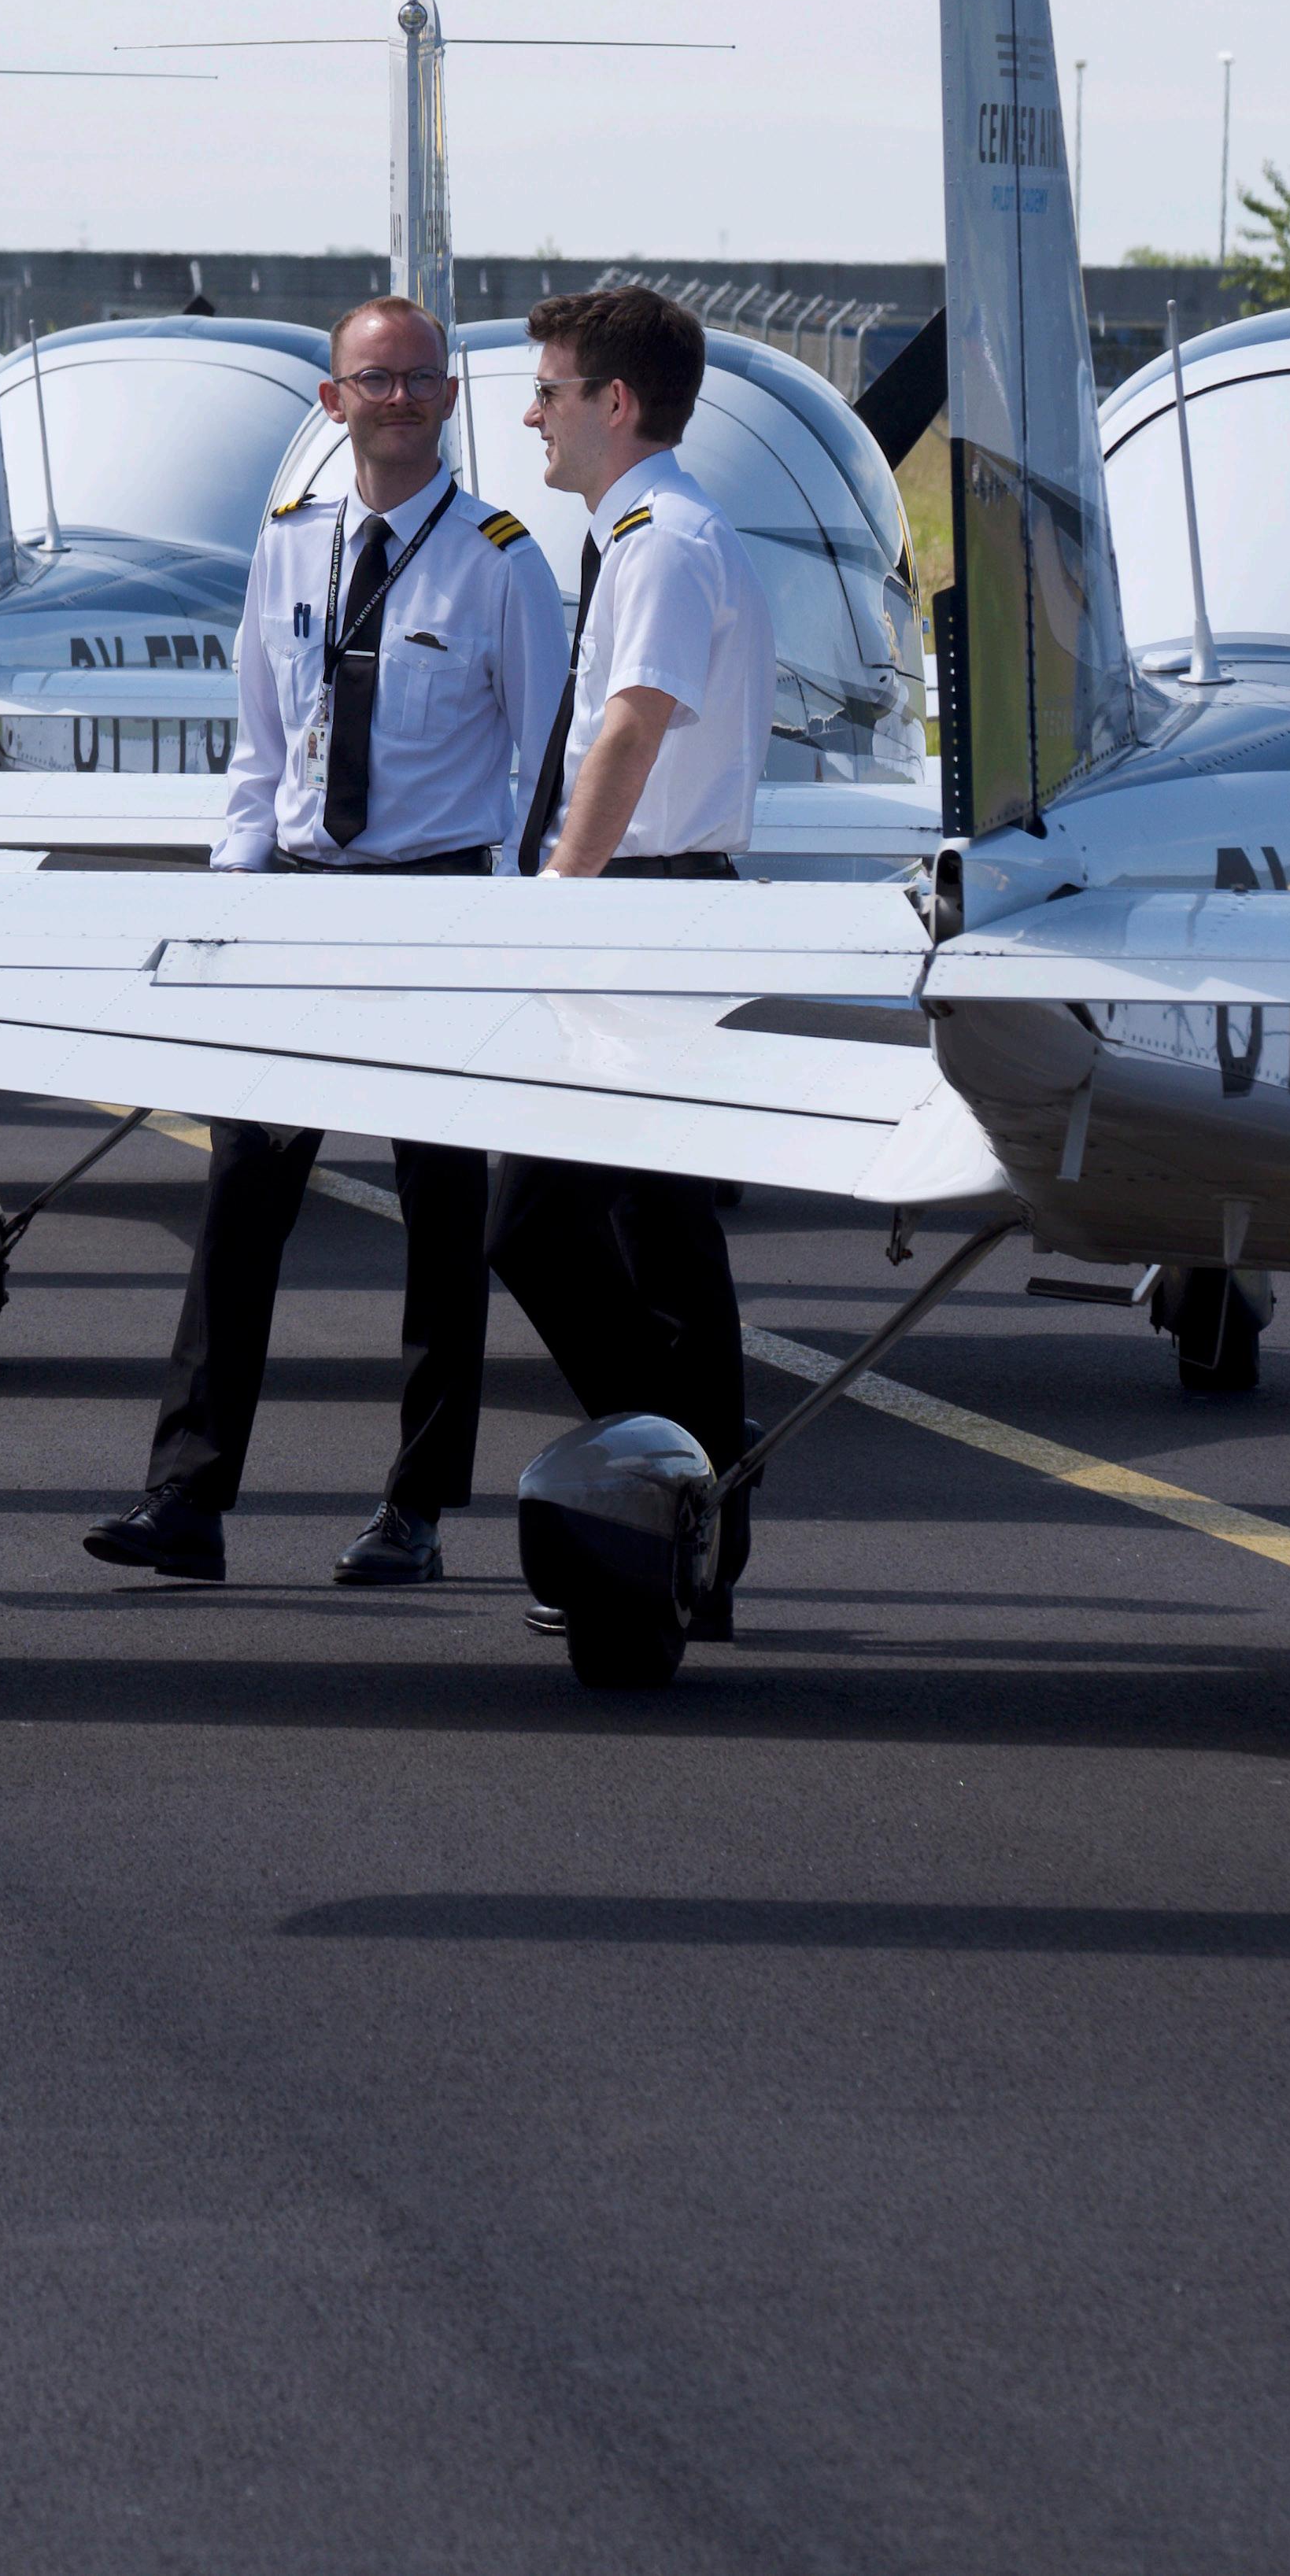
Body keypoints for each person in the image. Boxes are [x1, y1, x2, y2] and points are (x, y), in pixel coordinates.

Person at [81, 295, 565, 1588]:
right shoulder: (289, 546)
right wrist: (231, 904)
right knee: (241, 1196)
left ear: (448, 400)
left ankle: (415, 1511)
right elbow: (258, 747)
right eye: (374, 379)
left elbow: (543, 771)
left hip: (435, 910)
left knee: (442, 1217)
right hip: (297, 903)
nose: (398, 399)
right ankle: (187, 1498)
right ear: (331, 399)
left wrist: (517, 932)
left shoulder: (502, 560)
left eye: (418, 380)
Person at [486, 285, 777, 1638]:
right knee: (658, 1236)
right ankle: (691, 1522)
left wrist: (559, 900)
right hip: (653, 901)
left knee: (552, 1225)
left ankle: (681, 1496)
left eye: (549, 391)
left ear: (615, 403)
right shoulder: (652, 532)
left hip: (639, 908)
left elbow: (633, 726)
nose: (530, 416)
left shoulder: (661, 543)